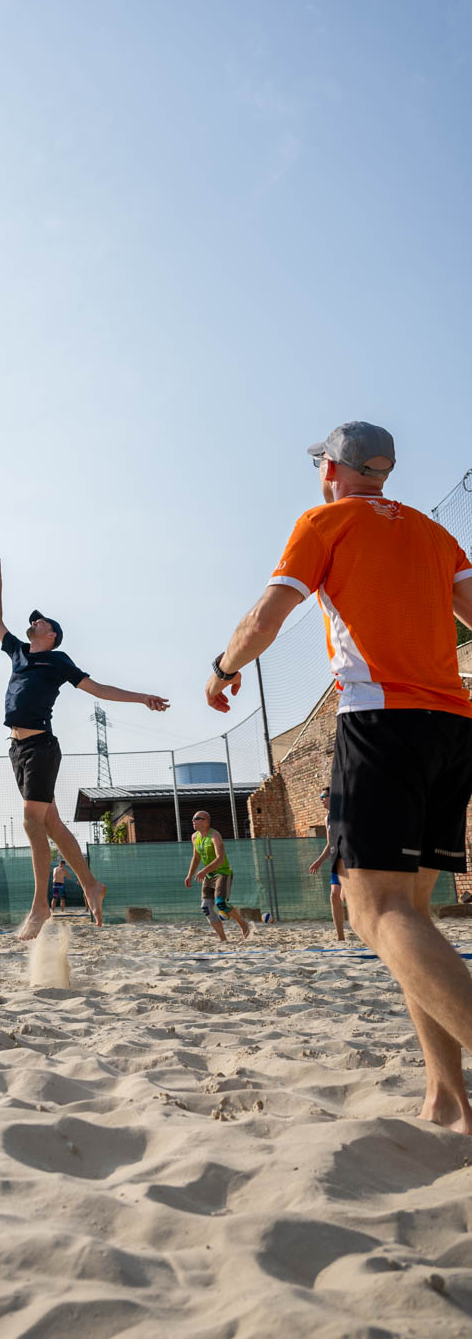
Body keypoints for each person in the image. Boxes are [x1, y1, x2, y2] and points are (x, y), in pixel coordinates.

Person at [206, 421, 472, 1132]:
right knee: (407, 917)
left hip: (381, 720)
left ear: (331, 467)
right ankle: (446, 1097)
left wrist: (222, 669)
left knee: (373, 914)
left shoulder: (323, 521)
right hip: (451, 727)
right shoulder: (431, 534)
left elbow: (266, 617)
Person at [0, 555, 170, 940]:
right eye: (35, 620)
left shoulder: (58, 660)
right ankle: (90, 884)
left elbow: (98, 688)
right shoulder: (19, 651)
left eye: (42, 621)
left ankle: (40, 908)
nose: (34, 622)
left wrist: (141, 698)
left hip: (40, 746)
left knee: (30, 821)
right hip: (16, 750)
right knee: (50, 822)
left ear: (51, 635)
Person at [184, 809, 250, 941]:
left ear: (206, 822)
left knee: (221, 903)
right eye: (193, 819)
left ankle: (243, 924)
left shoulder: (215, 836)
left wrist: (204, 871)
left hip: (222, 872)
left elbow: (220, 859)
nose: (193, 821)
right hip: (209, 875)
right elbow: (196, 858)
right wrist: (189, 875)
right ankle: (223, 940)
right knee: (206, 907)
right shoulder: (194, 837)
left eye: (197, 818)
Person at [307, 786, 348, 941]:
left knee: (345, 897)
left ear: (333, 797)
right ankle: (340, 937)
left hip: (350, 859)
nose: (320, 799)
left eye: (323, 796)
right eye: (320, 796)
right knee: (334, 896)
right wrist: (319, 861)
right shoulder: (327, 818)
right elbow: (330, 844)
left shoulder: (345, 813)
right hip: (337, 860)